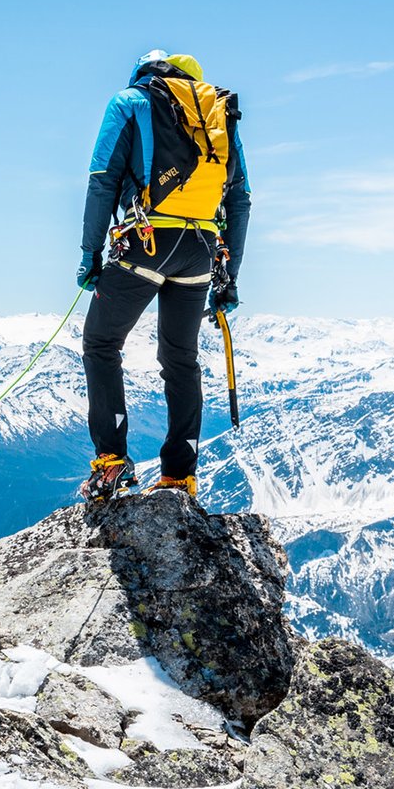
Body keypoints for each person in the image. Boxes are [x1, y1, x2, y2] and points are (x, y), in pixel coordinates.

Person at [76, 50, 250, 501]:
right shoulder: (217, 114)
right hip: (200, 251)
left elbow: (102, 179)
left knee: (101, 343)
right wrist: (229, 275)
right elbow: (240, 199)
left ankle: (111, 460)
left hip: (147, 242)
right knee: (180, 359)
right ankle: (179, 475)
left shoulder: (130, 101)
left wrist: (90, 254)